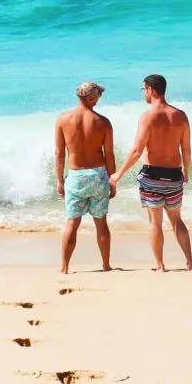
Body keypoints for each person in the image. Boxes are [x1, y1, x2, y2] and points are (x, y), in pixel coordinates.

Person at [110, 74, 192, 272]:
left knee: (155, 223)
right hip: (174, 175)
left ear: (152, 90)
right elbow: (187, 149)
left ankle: (160, 266)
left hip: (152, 176)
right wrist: (186, 171)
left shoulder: (147, 117)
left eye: (144, 90)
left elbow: (137, 151)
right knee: (177, 220)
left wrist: (118, 174)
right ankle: (189, 262)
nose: (144, 94)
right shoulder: (180, 116)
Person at [55, 81, 116, 274]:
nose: (99, 100)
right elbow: (110, 155)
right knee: (101, 222)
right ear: (91, 97)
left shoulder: (63, 119)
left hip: (76, 176)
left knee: (72, 223)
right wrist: (113, 180)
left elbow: (59, 154)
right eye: (98, 96)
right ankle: (106, 265)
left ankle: (64, 267)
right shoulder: (103, 122)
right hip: (98, 175)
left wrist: (59, 180)